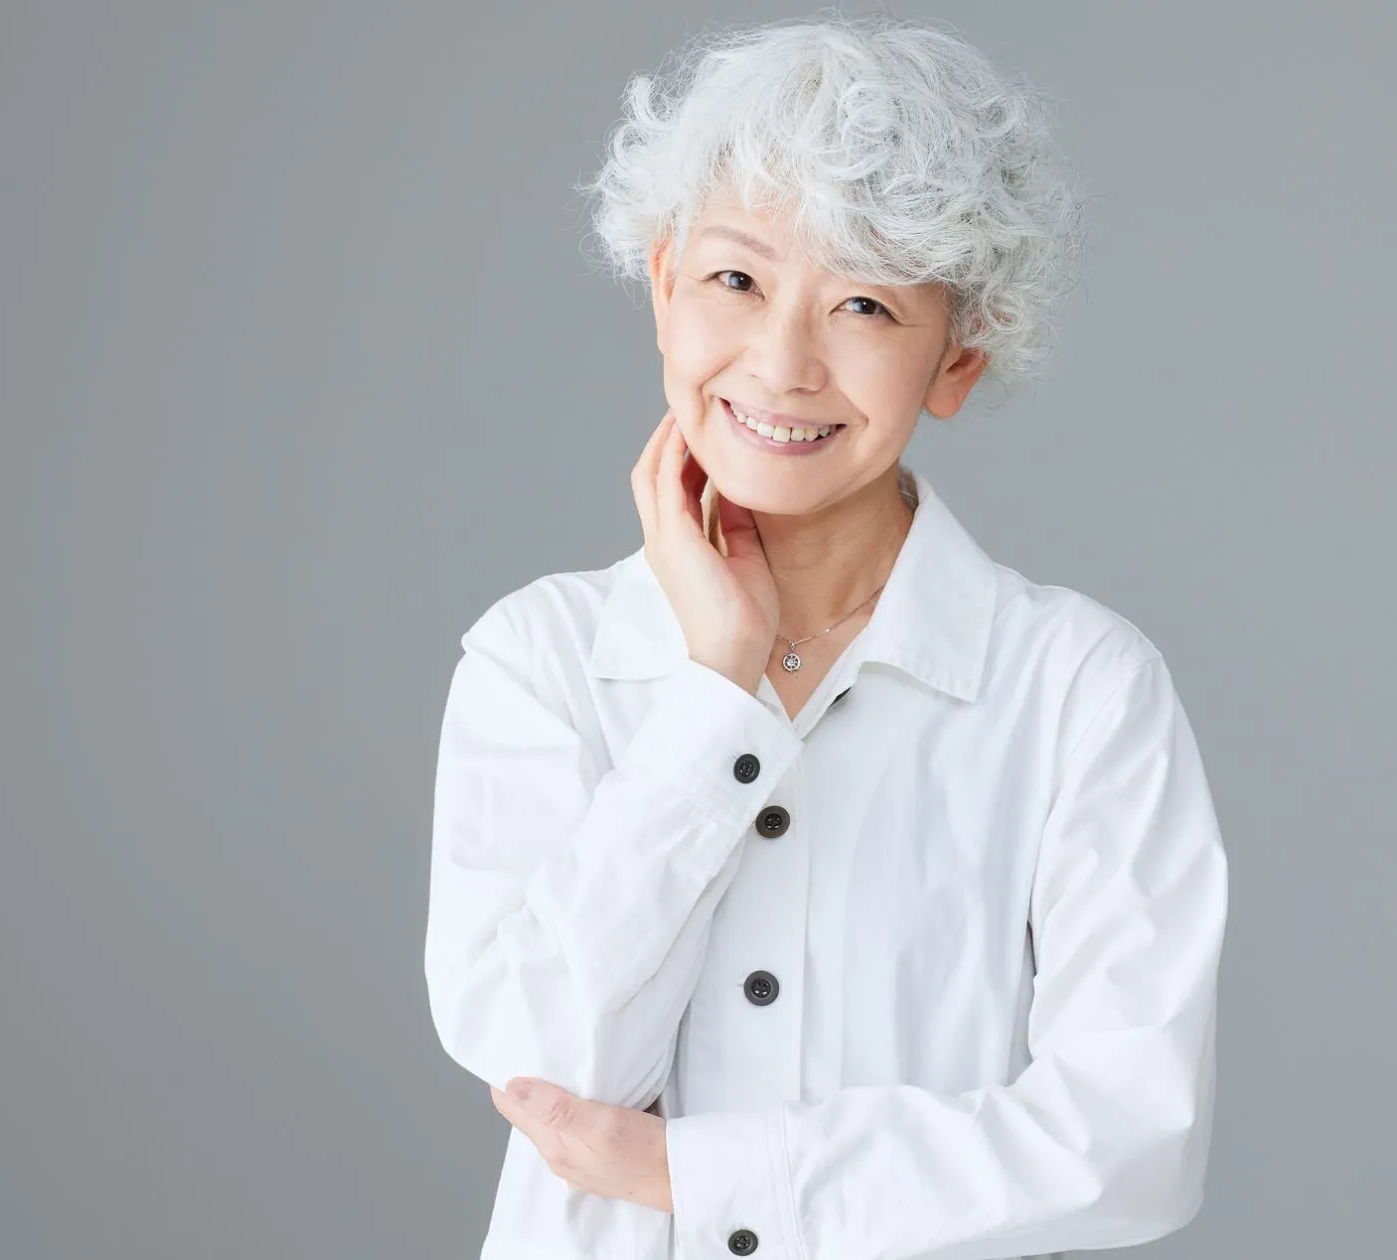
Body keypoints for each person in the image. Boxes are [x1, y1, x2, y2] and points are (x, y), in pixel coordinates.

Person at [424, 12, 1228, 1259]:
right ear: (660, 285)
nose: (782, 364)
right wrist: (710, 696)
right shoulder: (539, 659)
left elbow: (1130, 1144)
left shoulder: (1077, 689)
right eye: (735, 279)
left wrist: (695, 1172)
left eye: (860, 303)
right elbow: (546, 1066)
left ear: (956, 359)